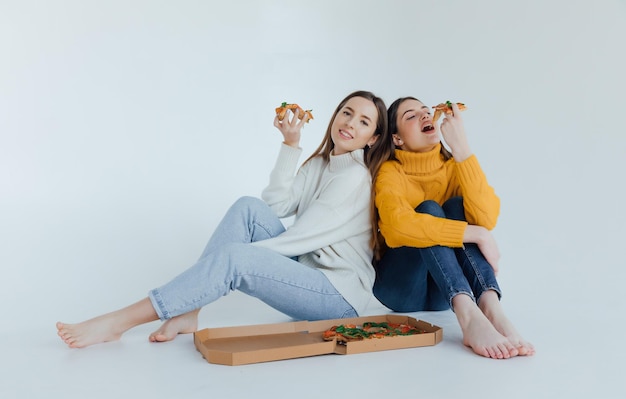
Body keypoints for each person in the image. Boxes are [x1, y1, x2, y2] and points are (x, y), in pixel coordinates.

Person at [57, 90, 389, 348]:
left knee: (234, 259)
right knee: (248, 208)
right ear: (334, 117)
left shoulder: (354, 178)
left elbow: (301, 238)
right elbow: (277, 204)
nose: (350, 123)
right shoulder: (320, 164)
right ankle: (189, 312)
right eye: (347, 113)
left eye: (363, 121)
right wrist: (291, 144)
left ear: (372, 138)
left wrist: (232, 263)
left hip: (339, 296)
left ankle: (119, 322)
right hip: (308, 271)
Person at [372, 97, 534, 360]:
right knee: (429, 210)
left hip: (442, 293)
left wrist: (463, 150)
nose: (425, 116)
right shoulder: (391, 171)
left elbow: (486, 217)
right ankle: (468, 316)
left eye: (427, 111)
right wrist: (477, 234)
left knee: (459, 206)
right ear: (397, 139)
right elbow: (395, 227)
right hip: (398, 289)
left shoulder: (454, 166)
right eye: (411, 116)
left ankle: (491, 308)